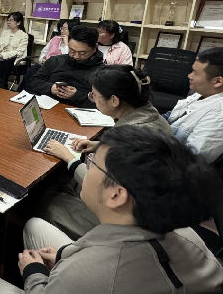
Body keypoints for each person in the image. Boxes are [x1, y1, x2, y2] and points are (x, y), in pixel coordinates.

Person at [0, 126, 223, 294]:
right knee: (35, 226)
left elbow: (93, 273)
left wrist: (34, 274)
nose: (86, 166)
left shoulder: (91, 273)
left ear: (116, 195)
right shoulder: (185, 231)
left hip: (91, 276)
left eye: (92, 163)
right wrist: (65, 254)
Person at [37, 65, 172, 239]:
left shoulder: (127, 137)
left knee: (46, 203)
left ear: (114, 100)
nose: (92, 99)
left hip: (127, 219)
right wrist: (99, 145)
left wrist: (69, 158)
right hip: (150, 205)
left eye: (94, 95)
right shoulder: (150, 114)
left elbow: (104, 187)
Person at [165, 47, 223, 164]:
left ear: (217, 82)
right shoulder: (202, 94)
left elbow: (192, 160)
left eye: (195, 73)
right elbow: (171, 117)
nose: (189, 76)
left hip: (174, 166)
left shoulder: (218, 115)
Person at [30, 26, 103, 108]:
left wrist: (77, 95)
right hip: (48, 107)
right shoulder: (55, 61)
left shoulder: (102, 72)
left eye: (82, 53)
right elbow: (34, 82)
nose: (76, 56)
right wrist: (51, 88)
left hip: (80, 111)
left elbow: (104, 104)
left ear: (95, 47)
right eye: (72, 51)